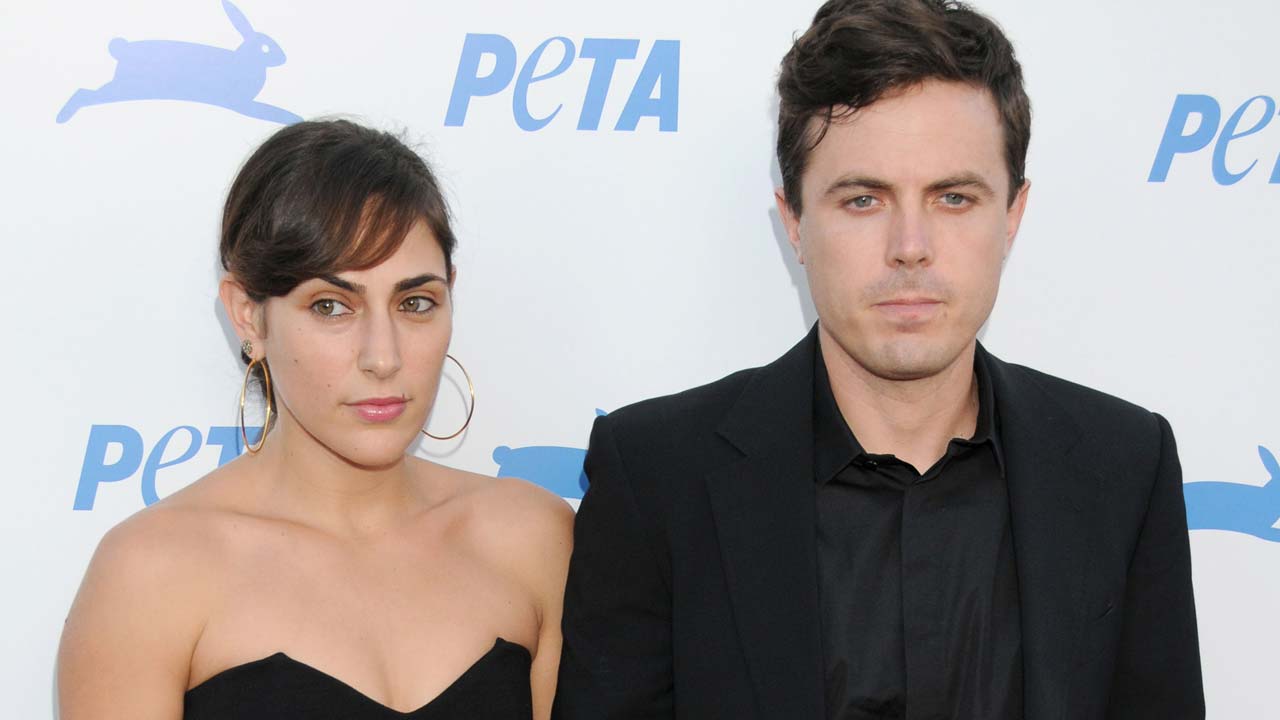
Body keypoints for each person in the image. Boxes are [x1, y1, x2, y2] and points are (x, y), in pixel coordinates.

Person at [553, 1, 1203, 718]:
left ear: (1013, 216)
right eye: (864, 199)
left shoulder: (1123, 466)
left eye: (954, 197)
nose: (910, 247)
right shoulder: (656, 477)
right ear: (794, 220)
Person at [57, 119, 573, 720]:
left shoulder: (533, 539)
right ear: (248, 315)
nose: (383, 357)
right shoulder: (151, 573)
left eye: (415, 303)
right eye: (331, 306)